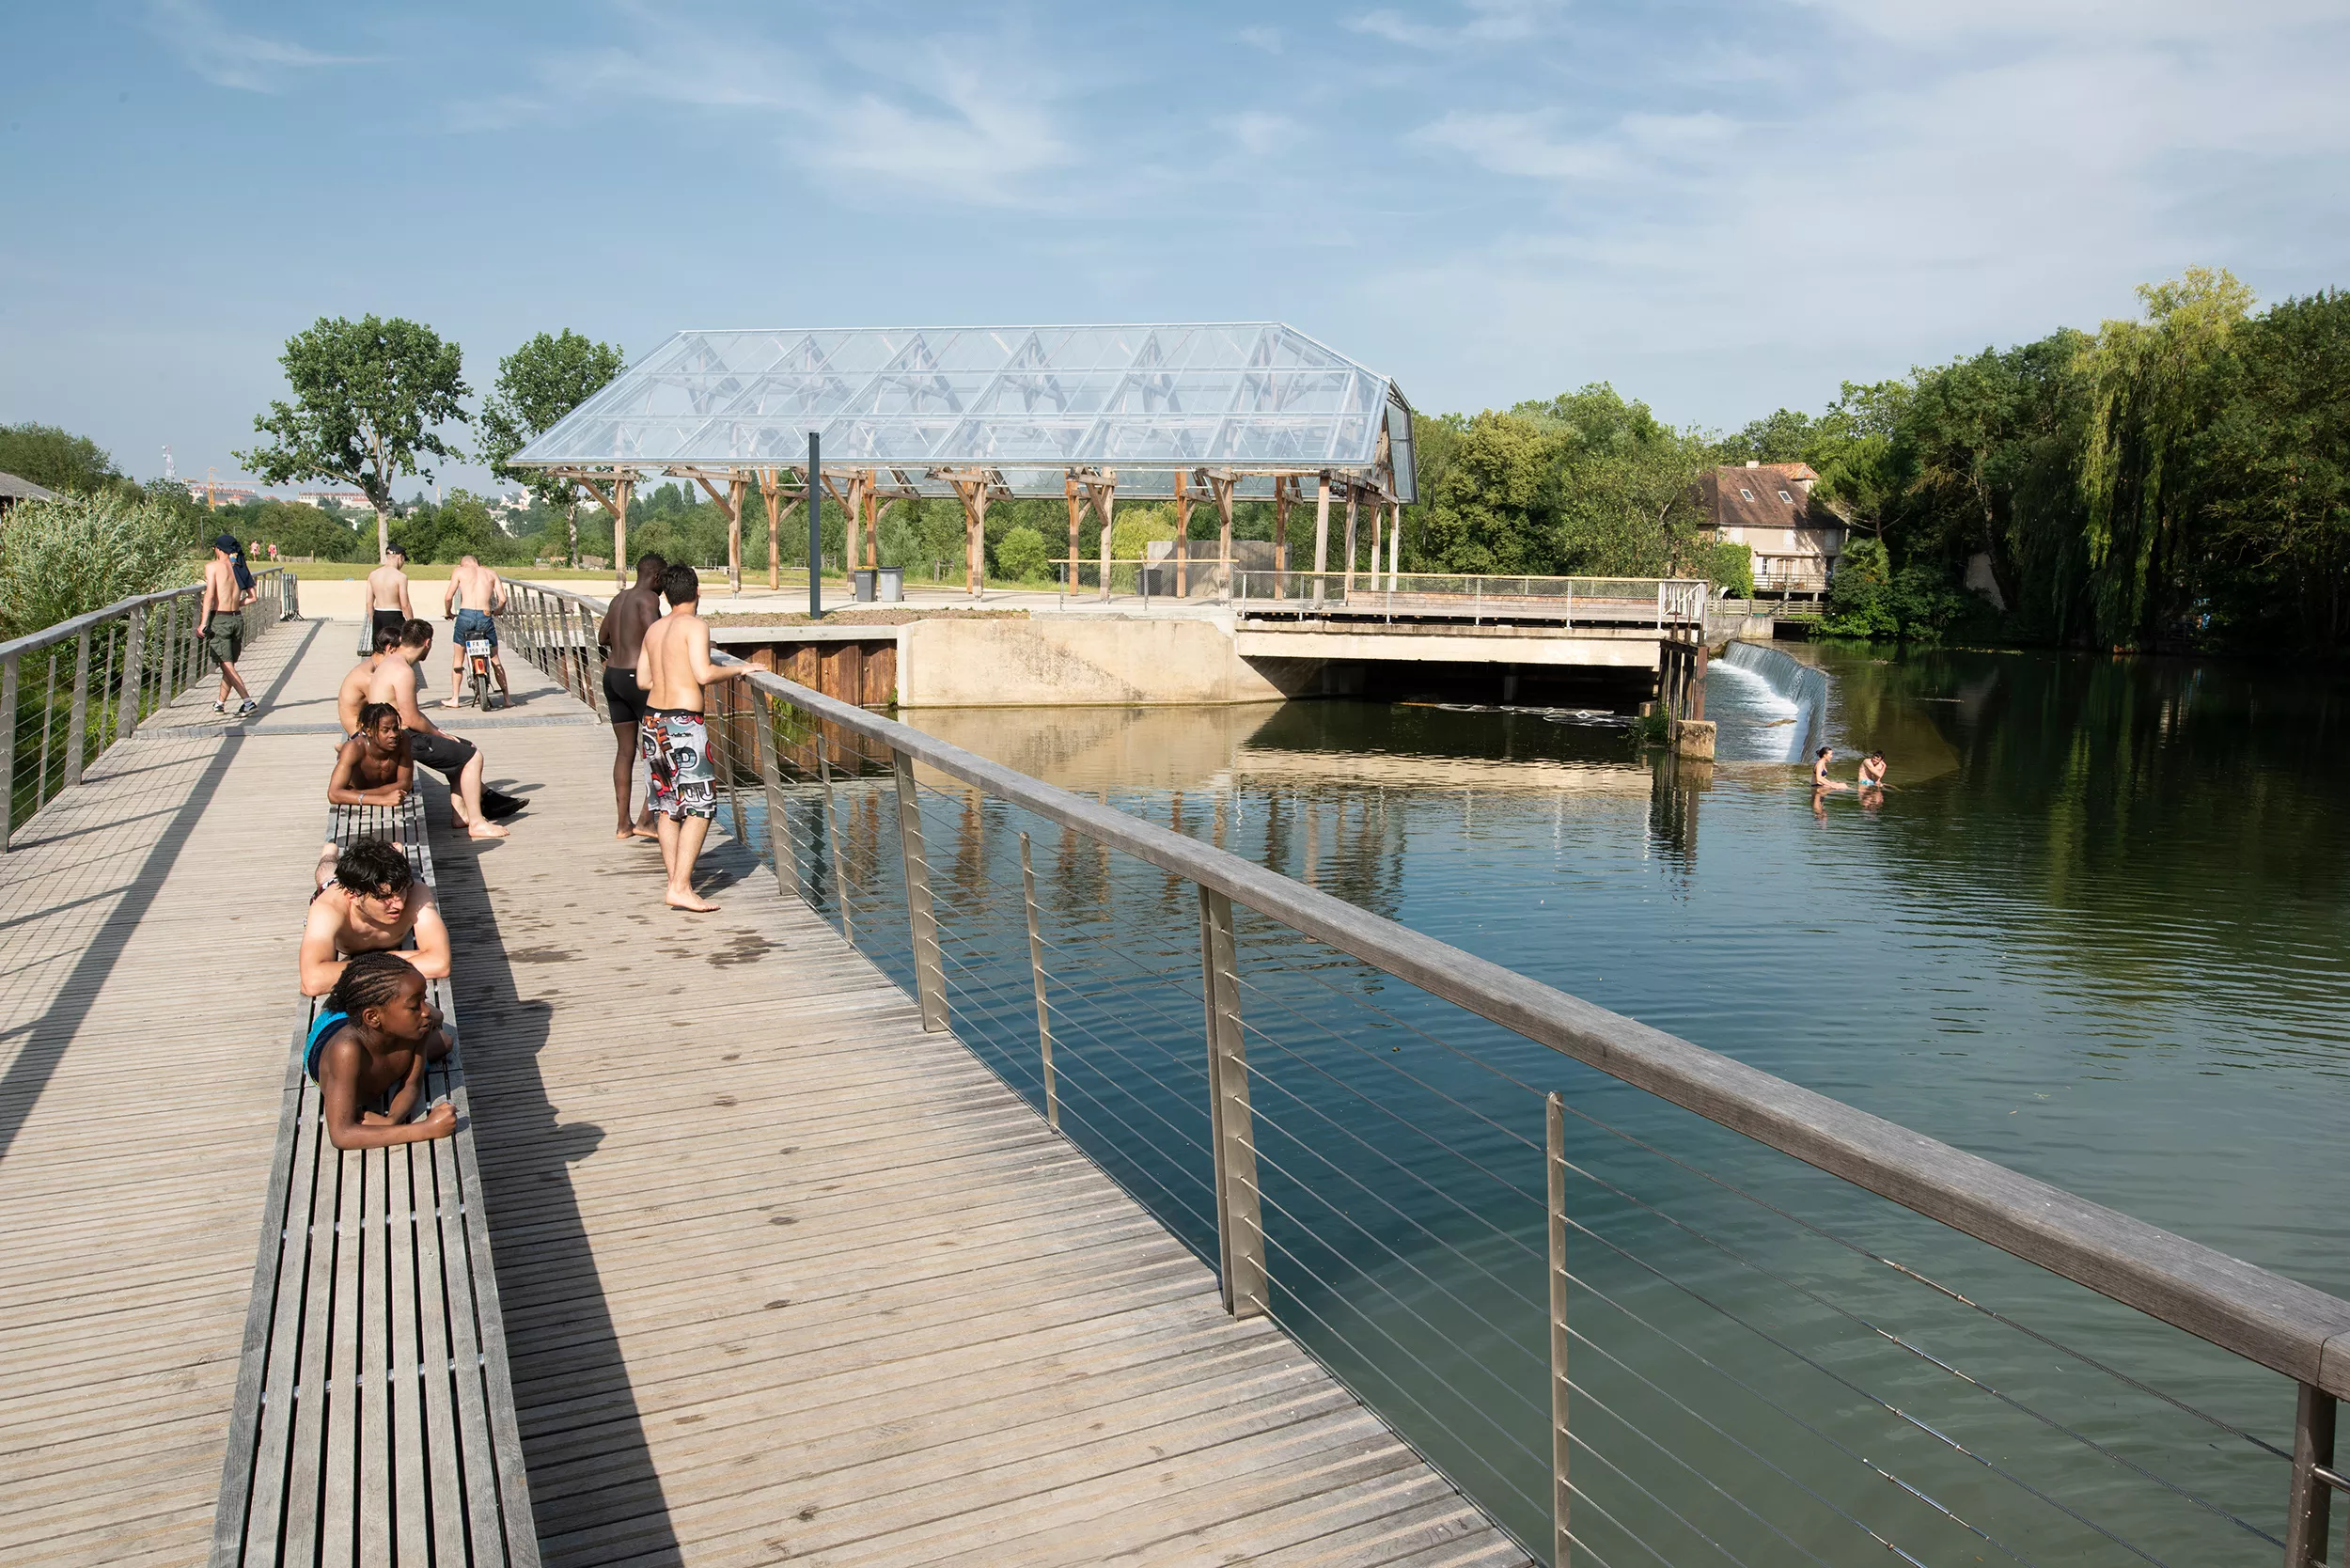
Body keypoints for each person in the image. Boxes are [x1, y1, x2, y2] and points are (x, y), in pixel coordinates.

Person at [636, 563, 748, 911]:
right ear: (697, 592)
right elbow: (704, 673)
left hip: (652, 721)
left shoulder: (654, 629)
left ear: (666, 596)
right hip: (683, 724)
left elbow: (643, 680)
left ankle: (676, 883)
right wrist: (740, 668)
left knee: (667, 807)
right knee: (700, 808)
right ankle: (681, 886)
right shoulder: (696, 625)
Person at [352, 620, 510, 839]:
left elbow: (410, 713)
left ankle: (461, 815)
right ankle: (477, 823)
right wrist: (437, 734)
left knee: (462, 748)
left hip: (385, 734)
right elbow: (410, 718)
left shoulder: (389, 663)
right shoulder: (403, 671)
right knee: (473, 756)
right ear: (427, 643)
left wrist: (440, 732)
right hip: (400, 738)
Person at [305, 951, 458, 1151]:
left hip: (380, 1026)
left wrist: (392, 1120)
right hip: (331, 1028)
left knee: (442, 1035)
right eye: (414, 1006)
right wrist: (427, 1129)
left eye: (424, 999)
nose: (424, 1011)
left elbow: (411, 1084)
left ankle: (426, 1009)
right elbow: (341, 1135)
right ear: (373, 1017)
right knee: (440, 1035)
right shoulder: (346, 1051)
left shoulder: (417, 1030)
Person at [301, 837, 450, 996]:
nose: (400, 905)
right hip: (333, 887)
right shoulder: (327, 909)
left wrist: (369, 965)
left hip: (369, 883)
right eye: (385, 897)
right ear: (354, 897)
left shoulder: (416, 894)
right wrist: (391, 960)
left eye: (401, 892)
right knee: (328, 874)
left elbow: (440, 963)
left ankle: (389, 854)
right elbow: (312, 982)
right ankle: (330, 852)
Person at [596, 552, 667, 840]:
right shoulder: (648, 599)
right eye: (663, 581)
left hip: (613, 676)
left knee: (625, 751)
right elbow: (658, 634)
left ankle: (622, 825)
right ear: (656, 577)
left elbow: (602, 637)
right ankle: (646, 820)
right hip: (637, 680)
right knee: (659, 749)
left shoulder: (619, 598)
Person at [198, 533, 258, 717]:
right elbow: (253, 597)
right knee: (228, 665)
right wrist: (236, 604)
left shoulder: (213, 567)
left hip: (221, 619)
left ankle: (248, 702)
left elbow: (209, 595)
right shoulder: (239, 567)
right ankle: (220, 703)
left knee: (226, 664)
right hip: (237, 619)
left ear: (218, 549)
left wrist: (203, 623)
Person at [443, 553, 510, 708]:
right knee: (494, 658)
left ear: (463, 564)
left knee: (458, 658)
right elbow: (503, 599)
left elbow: (448, 597)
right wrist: (498, 610)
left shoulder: (459, 572)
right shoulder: (491, 573)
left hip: (465, 615)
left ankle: (455, 699)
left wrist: (448, 612)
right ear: (477, 563)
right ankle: (507, 699)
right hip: (485, 615)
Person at [365, 546, 415, 662]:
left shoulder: (373, 575)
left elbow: (369, 603)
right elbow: (405, 605)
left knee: (379, 653)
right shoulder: (400, 577)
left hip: (378, 616)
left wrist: (373, 620)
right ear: (400, 557)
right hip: (394, 617)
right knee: (397, 654)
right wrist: (411, 624)